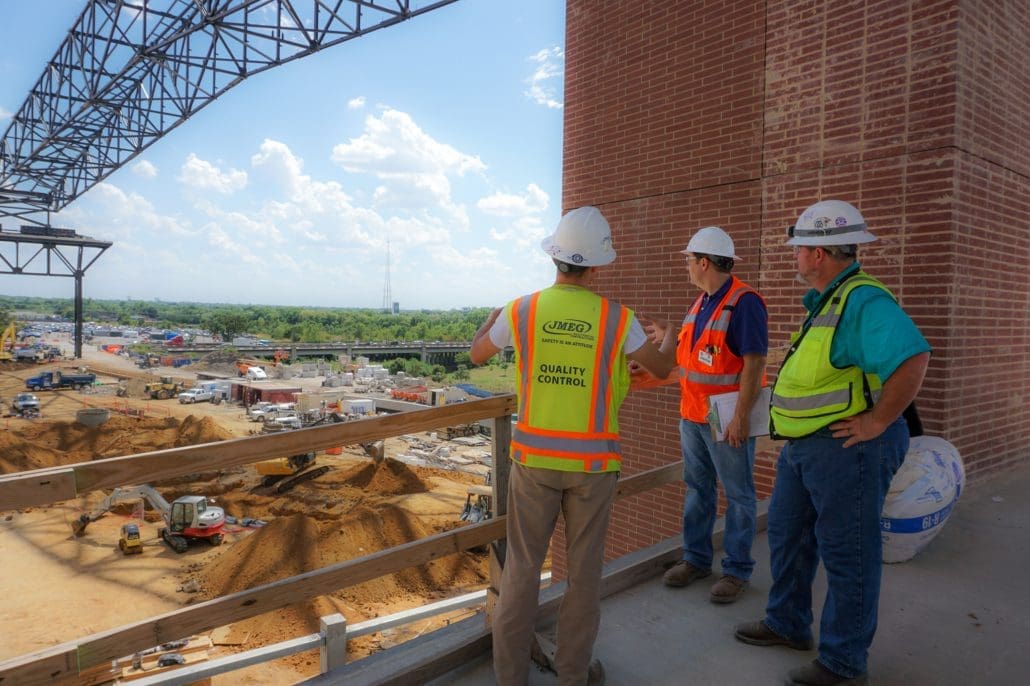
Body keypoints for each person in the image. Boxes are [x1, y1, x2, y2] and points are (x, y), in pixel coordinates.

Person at [470, 205, 677, 686]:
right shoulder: (616, 319)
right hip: (592, 466)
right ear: (598, 264)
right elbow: (662, 368)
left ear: (556, 257)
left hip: (533, 463)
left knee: (521, 574)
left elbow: (478, 352)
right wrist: (668, 337)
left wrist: (487, 322)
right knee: (583, 580)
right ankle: (572, 676)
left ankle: (510, 678)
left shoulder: (521, 310)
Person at [734, 199, 931, 686]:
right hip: (809, 450)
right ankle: (788, 622)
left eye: (799, 248)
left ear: (819, 253)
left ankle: (844, 663)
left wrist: (876, 422)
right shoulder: (830, 300)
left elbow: (913, 359)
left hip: (849, 449)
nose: (794, 257)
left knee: (848, 554)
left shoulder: (863, 299)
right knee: (788, 534)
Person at [648, 226, 769, 604]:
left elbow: (754, 362)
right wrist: (668, 332)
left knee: (738, 494)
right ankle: (697, 559)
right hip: (694, 414)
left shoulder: (744, 302)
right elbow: (696, 355)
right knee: (698, 489)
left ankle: (736, 571)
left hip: (724, 416)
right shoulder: (700, 303)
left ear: (704, 262)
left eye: (688, 260)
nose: (686, 266)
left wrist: (740, 418)